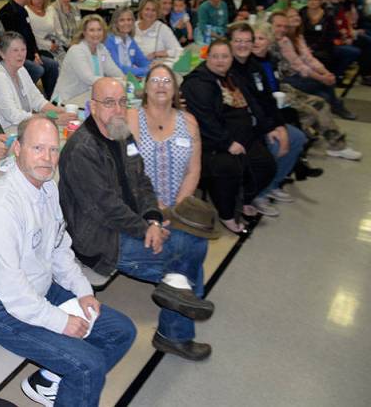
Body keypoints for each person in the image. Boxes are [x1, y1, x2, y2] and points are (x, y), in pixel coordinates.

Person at [0, 117, 136, 405]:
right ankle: (72, 381)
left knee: (122, 332)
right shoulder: (3, 206)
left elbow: (59, 248)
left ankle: (50, 381)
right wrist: (60, 321)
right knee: (89, 365)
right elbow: (13, 292)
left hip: (41, 288)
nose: (47, 159)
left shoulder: (47, 187)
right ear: (17, 149)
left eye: (53, 150)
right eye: (37, 148)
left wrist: (82, 290)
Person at [60, 78, 215, 361]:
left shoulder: (122, 134)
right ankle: (177, 326)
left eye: (122, 102)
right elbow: (105, 208)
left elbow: (142, 181)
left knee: (193, 243)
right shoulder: (81, 150)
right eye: (109, 103)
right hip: (100, 239)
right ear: (92, 107)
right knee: (184, 255)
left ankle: (179, 304)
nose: (117, 109)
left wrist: (154, 219)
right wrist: (145, 228)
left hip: (131, 224)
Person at [180, 39, 276, 234]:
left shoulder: (232, 76)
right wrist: (228, 143)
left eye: (225, 56)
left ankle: (244, 199)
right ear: (207, 57)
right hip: (213, 143)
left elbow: (252, 102)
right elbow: (205, 121)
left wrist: (268, 127)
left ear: (231, 58)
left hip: (242, 137)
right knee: (228, 167)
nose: (220, 61)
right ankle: (227, 215)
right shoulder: (198, 83)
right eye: (215, 56)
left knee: (266, 165)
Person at [226, 22, 307, 215]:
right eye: (237, 41)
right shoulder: (229, 70)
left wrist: (279, 125)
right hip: (245, 126)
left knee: (297, 137)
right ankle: (258, 193)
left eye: (247, 41)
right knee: (276, 144)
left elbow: (267, 100)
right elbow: (250, 105)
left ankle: (272, 186)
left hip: (263, 121)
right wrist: (271, 129)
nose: (243, 45)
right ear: (229, 43)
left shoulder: (255, 66)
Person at [256, 20, 361, 161]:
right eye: (254, 39)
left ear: (269, 41)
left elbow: (282, 74)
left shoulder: (271, 58)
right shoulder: (252, 62)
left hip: (283, 89)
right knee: (309, 113)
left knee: (320, 102)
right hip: (271, 98)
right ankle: (303, 146)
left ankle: (337, 146)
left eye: (261, 39)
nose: (256, 42)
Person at [127, 64, 201, 208]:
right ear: (146, 89)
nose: (161, 84)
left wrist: (178, 206)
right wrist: (155, 206)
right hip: (140, 205)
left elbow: (193, 170)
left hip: (178, 208)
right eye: (155, 80)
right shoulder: (132, 118)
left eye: (167, 81)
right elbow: (129, 170)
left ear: (175, 90)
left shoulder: (189, 122)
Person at [0, 32, 75, 131]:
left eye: (23, 49)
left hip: (22, 127)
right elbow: (14, 116)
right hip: (2, 133)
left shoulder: (21, 69)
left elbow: (37, 100)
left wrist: (60, 111)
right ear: (2, 53)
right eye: (15, 50)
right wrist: (52, 119)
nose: (20, 54)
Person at [274, 9, 355, 120]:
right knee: (326, 88)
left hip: (300, 74)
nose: (296, 17)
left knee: (327, 86)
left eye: (297, 15)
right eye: (291, 16)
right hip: (290, 77)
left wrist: (326, 73)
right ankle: (336, 107)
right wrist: (322, 78)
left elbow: (309, 59)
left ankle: (335, 107)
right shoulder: (283, 40)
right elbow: (298, 66)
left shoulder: (299, 37)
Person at [0, 0, 59, 98]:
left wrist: (35, 52)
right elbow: (10, 42)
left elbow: (29, 36)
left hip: (29, 53)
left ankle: (51, 98)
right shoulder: (7, 13)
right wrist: (29, 55)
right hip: (15, 55)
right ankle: (23, 96)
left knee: (52, 65)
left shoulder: (23, 10)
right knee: (37, 69)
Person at [53, 14, 123, 104]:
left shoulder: (101, 48)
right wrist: (117, 81)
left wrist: (124, 79)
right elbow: (88, 78)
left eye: (99, 30)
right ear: (84, 32)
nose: (96, 34)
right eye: (91, 30)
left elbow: (112, 69)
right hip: (66, 101)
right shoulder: (76, 50)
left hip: (86, 98)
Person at [105, 7, 151, 78]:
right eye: (122, 20)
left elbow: (142, 60)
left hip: (128, 78)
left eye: (129, 20)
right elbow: (119, 68)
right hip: (113, 80)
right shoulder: (109, 41)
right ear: (115, 23)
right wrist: (147, 70)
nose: (126, 23)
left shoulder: (130, 40)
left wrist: (152, 66)